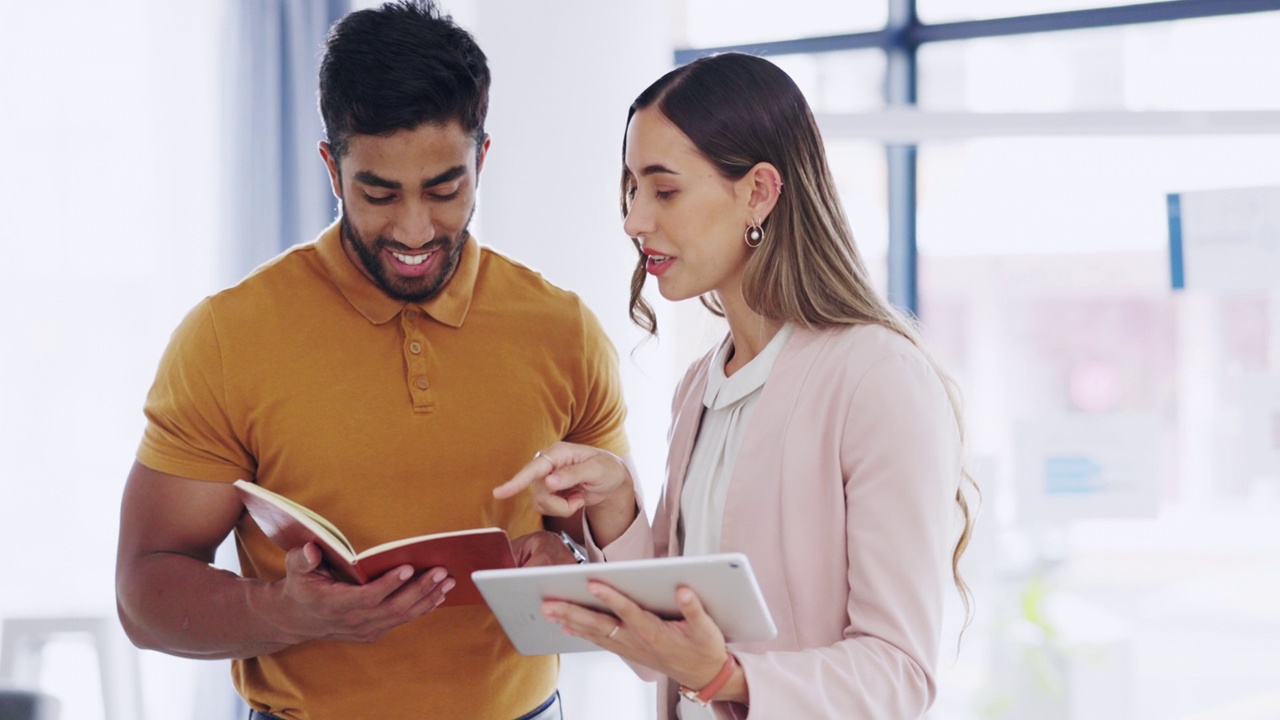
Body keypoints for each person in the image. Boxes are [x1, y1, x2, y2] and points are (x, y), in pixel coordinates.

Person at [114, 2, 631, 719]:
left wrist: (571, 567)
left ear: (483, 158)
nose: (414, 229)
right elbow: (145, 593)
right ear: (332, 167)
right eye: (378, 193)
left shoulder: (564, 331)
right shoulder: (227, 338)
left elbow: (623, 558)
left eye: (445, 189)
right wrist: (288, 611)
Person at [495, 52, 977, 719]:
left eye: (664, 191)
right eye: (632, 189)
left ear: (758, 192)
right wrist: (616, 504)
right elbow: (662, 646)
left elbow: (898, 674)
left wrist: (725, 677)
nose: (635, 220)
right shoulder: (702, 384)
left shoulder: (876, 378)